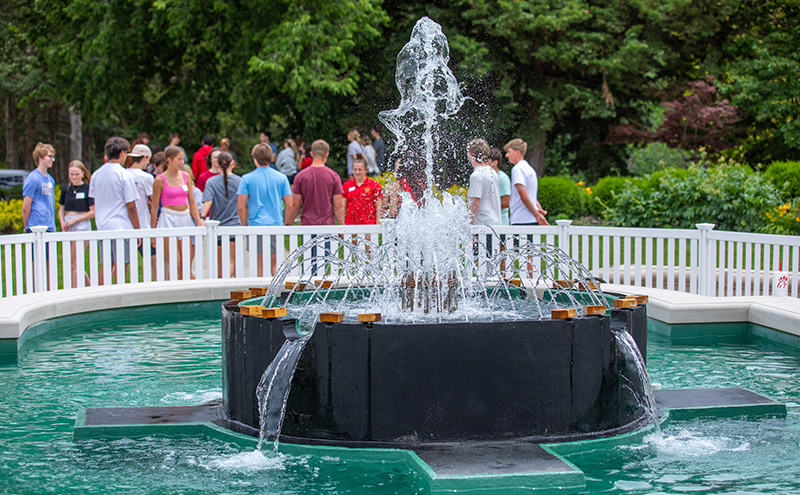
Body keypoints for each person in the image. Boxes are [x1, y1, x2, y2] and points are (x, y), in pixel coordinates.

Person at [89, 136, 141, 284]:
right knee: (121, 265)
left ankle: (100, 294)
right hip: (121, 226)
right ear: (123, 153)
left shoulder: (96, 174)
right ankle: (119, 296)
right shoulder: (124, 174)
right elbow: (131, 206)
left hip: (102, 225)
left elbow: (94, 199)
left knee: (105, 265)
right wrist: (138, 231)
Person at [237, 144, 293, 276]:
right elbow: (289, 205)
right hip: (276, 224)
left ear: (254, 158)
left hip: (256, 225)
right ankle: (277, 294)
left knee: (259, 265)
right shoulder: (281, 177)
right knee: (276, 265)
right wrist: (285, 223)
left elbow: (241, 206)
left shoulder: (247, 178)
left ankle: (261, 295)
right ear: (271, 157)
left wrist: (245, 226)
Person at [151, 147, 204, 279]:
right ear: (169, 160)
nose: (182, 162)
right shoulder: (159, 179)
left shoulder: (185, 176)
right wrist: (152, 232)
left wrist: (198, 222)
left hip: (185, 218)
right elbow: (154, 206)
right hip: (168, 218)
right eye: (179, 159)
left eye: (183, 159)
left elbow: (192, 202)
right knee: (176, 263)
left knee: (186, 263)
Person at [286, 139, 344, 226]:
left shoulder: (300, 176)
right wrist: (341, 227)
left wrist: (289, 224)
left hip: (307, 225)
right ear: (327, 154)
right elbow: (338, 206)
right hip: (327, 225)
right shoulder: (333, 176)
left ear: (311, 154)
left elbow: (295, 205)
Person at [202, 151, 240, 277]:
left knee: (220, 264)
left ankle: (222, 289)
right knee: (232, 262)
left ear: (217, 164)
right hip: (235, 226)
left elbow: (208, 201)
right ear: (232, 163)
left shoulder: (211, 182)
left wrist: (202, 217)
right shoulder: (240, 181)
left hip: (217, 228)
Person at [58, 160, 94, 287]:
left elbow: (92, 212)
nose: (74, 177)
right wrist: (62, 221)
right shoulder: (66, 189)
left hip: (81, 224)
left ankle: (76, 288)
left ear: (83, 173)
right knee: (70, 261)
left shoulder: (88, 188)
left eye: (77, 174)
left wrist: (75, 220)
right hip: (68, 223)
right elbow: (61, 208)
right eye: (71, 174)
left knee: (75, 261)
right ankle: (86, 286)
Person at [505, 138, 548, 226]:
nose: (506, 155)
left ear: (517, 152)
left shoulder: (517, 169)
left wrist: (538, 215)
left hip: (521, 219)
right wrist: (539, 210)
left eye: (509, 152)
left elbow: (524, 196)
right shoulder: (530, 169)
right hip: (531, 218)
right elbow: (530, 195)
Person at [22, 143, 57, 234]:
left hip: (50, 226)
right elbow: (26, 206)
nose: (52, 160)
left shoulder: (51, 179)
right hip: (35, 226)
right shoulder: (33, 178)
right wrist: (26, 225)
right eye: (49, 156)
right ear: (40, 157)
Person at [467, 139, 501, 226]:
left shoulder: (477, 175)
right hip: (496, 222)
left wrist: (469, 225)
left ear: (470, 154)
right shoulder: (492, 171)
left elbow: (475, 202)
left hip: (482, 224)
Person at [342, 154, 382, 225]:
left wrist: (378, 226)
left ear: (366, 169)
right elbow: (343, 208)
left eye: (360, 170)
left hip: (369, 226)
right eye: (355, 169)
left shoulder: (375, 185)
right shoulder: (346, 185)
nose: (357, 172)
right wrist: (342, 226)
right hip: (350, 226)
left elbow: (379, 208)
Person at [126, 144, 154, 235]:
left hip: (126, 222)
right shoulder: (146, 177)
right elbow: (154, 199)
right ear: (144, 158)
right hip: (143, 222)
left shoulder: (124, 174)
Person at [488, 147, 511, 225]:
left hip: (502, 224)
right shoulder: (489, 178)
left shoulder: (502, 178)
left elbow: (506, 202)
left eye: (488, 161)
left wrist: (487, 207)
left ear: (495, 162)